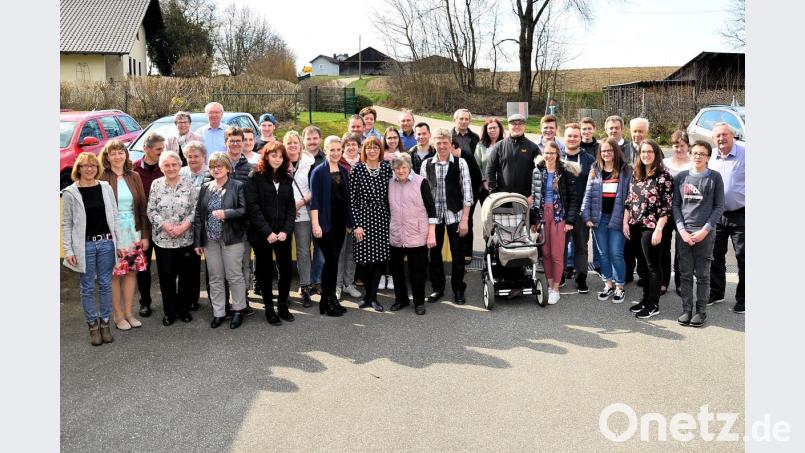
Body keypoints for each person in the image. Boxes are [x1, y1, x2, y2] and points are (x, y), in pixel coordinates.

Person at [62, 152, 122, 346]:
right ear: (78, 169)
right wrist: (69, 250)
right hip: (84, 245)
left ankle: (105, 323)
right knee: (87, 287)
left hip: (105, 243)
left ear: (98, 168)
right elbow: (67, 224)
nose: (89, 169)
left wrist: (118, 243)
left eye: (93, 166)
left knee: (105, 284)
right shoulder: (71, 192)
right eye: (85, 165)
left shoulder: (105, 188)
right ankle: (92, 326)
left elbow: (114, 216)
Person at [192, 152, 248, 329]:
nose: (216, 169)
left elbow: (244, 210)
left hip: (232, 239)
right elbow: (199, 215)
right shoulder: (206, 187)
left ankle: (238, 310)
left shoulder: (238, 186)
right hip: (210, 240)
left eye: (220, 166)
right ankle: (219, 312)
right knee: (215, 277)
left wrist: (226, 214)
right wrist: (198, 242)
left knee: (234, 276)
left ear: (227, 168)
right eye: (213, 166)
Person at [99, 140, 149, 331]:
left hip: (133, 231)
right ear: (107, 156)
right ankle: (118, 315)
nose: (118, 156)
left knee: (130, 272)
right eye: (113, 153)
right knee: (114, 274)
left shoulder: (134, 176)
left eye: (121, 152)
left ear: (126, 155)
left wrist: (144, 234)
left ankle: (129, 313)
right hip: (112, 232)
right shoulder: (102, 176)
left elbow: (142, 206)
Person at [673, 141, 725, 327]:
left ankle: (701, 311)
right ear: (690, 154)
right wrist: (681, 230)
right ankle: (686, 309)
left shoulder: (714, 178)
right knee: (685, 273)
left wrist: (705, 230)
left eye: (702, 154)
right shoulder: (680, 178)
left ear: (708, 157)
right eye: (694, 153)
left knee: (703, 275)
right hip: (684, 234)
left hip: (704, 234)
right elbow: (676, 206)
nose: (697, 156)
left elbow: (719, 207)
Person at [245, 142, 297, 326]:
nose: (277, 159)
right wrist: (267, 232)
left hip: (282, 234)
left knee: (286, 270)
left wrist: (285, 230)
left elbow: (291, 207)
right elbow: (252, 207)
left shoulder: (286, 178)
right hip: (261, 234)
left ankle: (282, 305)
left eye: (280, 156)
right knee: (265, 271)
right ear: (266, 156)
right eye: (273, 155)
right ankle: (269, 308)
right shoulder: (255, 177)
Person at [420, 128, 473, 305]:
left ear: (451, 143)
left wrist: (465, 219)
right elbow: (423, 195)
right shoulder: (426, 164)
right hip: (434, 219)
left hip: (455, 216)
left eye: (445, 143)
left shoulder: (460, 163)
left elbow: (467, 193)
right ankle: (438, 288)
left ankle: (458, 289)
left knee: (458, 255)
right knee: (434, 255)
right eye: (439, 143)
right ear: (434, 144)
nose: (442, 146)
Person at [147, 151, 199, 326]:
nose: (170, 168)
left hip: (185, 240)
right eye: (166, 165)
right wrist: (166, 226)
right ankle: (169, 312)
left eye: (174, 165)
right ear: (161, 167)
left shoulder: (189, 183)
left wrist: (184, 226)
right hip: (163, 240)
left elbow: (195, 209)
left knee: (186, 277)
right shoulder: (156, 185)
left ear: (179, 166)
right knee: (167, 277)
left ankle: (183, 310)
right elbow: (151, 211)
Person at [623, 140, 674, 319]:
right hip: (635, 225)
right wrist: (625, 222)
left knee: (653, 266)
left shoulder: (663, 176)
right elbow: (629, 201)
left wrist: (659, 229)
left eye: (650, 152)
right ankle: (645, 299)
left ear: (657, 154)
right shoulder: (636, 174)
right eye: (643, 152)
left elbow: (666, 207)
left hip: (652, 227)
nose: (646, 155)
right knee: (642, 265)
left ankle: (654, 303)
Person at [581, 138, 632, 304]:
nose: (606, 153)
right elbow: (588, 193)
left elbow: (630, 197)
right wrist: (586, 215)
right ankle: (608, 284)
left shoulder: (626, 170)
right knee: (603, 253)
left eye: (610, 150)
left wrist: (627, 218)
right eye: (603, 151)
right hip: (598, 218)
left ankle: (619, 286)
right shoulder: (595, 168)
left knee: (616, 252)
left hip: (617, 217)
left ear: (616, 151)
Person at [530, 141, 579, 305]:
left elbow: (573, 198)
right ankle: (550, 285)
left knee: (557, 254)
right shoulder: (538, 170)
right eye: (546, 153)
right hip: (543, 215)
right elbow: (534, 196)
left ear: (558, 154)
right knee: (545, 252)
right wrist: (533, 220)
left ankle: (556, 288)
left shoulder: (565, 171)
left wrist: (570, 221)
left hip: (559, 216)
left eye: (552, 153)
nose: (549, 156)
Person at [388, 153, 437, 315]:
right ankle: (401, 299)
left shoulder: (420, 182)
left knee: (418, 271)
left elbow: (431, 209)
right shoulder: (390, 183)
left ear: (409, 167)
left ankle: (419, 302)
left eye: (403, 167)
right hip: (396, 234)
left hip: (417, 234)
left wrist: (431, 233)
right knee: (397, 271)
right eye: (397, 168)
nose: (400, 171)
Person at [310, 136, 353, 317]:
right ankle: (326, 301)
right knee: (331, 260)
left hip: (339, 224)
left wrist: (350, 222)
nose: (335, 153)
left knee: (334, 263)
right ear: (325, 150)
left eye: (338, 150)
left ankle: (331, 300)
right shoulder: (318, 171)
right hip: (324, 224)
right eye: (332, 150)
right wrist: (315, 224)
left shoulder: (343, 171)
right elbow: (315, 201)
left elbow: (347, 200)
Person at [350, 136, 394, 312]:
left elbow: (392, 195)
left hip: (382, 218)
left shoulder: (386, 168)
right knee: (365, 261)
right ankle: (367, 295)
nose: (372, 150)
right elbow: (352, 200)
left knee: (378, 261)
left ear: (380, 150)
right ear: (364, 150)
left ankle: (373, 298)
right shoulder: (357, 169)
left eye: (376, 147)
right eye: (369, 147)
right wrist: (356, 225)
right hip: (363, 219)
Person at [707, 122, 745, 314]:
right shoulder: (711, 156)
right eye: (718, 136)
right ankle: (716, 292)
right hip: (717, 215)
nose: (721, 138)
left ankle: (744, 299)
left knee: (743, 258)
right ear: (713, 139)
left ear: (733, 136)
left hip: (741, 214)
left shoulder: (745, 154)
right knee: (715, 256)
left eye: (725, 134)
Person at [133, 132, 165, 317]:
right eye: (158, 150)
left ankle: (170, 299)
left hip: (164, 227)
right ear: (146, 149)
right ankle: (145, 302)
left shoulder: (166, 167)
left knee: (165, 267)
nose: (162, 153)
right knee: (142, 267)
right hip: (142, 228)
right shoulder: (133, 169)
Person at [224, 126, 255, 314]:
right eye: (231, 140)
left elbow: (252, 199)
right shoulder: (217, 165)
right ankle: (226, 302)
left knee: (244, 264)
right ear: (225, 142)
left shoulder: (251, 169)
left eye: (238, 140)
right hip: (223, 226)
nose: (235, 144)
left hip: (244, 227)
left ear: (244, 143)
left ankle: (243, 299)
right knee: (225, 266)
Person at [561, 123, 595, 293]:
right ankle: (559, 275)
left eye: (576, 136)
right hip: (561, 211)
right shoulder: (557, 156)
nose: (573, 138)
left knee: (581, 246)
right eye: (569, 136)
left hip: (581, 211)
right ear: (564, 137)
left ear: (580, 138)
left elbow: (593, 186)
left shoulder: (588, 159)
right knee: (561, 245)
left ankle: (581, 277)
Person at [285, 131, 316, 307]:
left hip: (303, 212)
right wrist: (289, 207)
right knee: (284, 252)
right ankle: (285, 290)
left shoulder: (309, 163)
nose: (292, 146)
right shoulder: (279, 162)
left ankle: (305, 287)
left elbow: (314, 188)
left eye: (295, 142)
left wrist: (301, 203)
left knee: (303, 251)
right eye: (289, 143)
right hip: (284, 215)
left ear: (300, 144)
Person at [178, 140, 209, 311]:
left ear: (203, 156)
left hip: (204, 225)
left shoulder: (211, 173)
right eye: (189, 156)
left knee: (199, 265)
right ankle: (185, 297)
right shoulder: (180, 172)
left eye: (196, 156)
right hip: (184, 225)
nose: (192, 159)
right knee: (185, 265)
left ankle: (195, 298)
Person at [662, 130, 692, 296]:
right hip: (665, 212)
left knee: (682, 249)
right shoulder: (664, 162)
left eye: (682, 145)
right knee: (663, 248)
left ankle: (681, 283)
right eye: (675, 145)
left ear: (687, 146)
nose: (679, 149)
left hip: (685, 212)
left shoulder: (693, 163)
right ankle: (663, 281)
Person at [335, 133, 363, 300]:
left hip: (359, 217)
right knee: (339, 252)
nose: (351, 147)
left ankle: (348, 283)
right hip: (340, 216)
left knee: (352, 252)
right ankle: (337, 284)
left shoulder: (364, 163)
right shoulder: (337, 165)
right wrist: (346, 219)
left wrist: (355, 220)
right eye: (348, 145)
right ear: (343, 147)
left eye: (354, 144)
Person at [486, 113, 540, 196]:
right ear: (508, 126)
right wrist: (493, 192)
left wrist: (532, 195)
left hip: (525, 198)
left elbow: (538, 174)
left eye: (520, 124)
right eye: (514, 124)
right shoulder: (499, 146)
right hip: (502, 196)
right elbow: (490, 170)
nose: (517, 126)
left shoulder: (533, 148)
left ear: (524, 126)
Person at [302, 125, 325, 295]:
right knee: (303, 248)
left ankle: (317, 280)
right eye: (308, 139)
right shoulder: (297, 159)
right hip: (302, 208)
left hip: (321, 208)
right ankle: (305, 282)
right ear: (304, 141)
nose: (312, 141)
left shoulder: (326, 159)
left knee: (320, 247)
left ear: (320, 139)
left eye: (315, 138)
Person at [474, 117, 503, 206]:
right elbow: (477, 165)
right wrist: (483, 181)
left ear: (500, 129)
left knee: (500, 215)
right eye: (490, 128)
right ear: (486, 130)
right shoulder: (480, 145)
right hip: (485, 187)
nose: (492, 130)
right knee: (487, 215)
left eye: (495, 128)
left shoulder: (506, 144)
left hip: (503, 187)